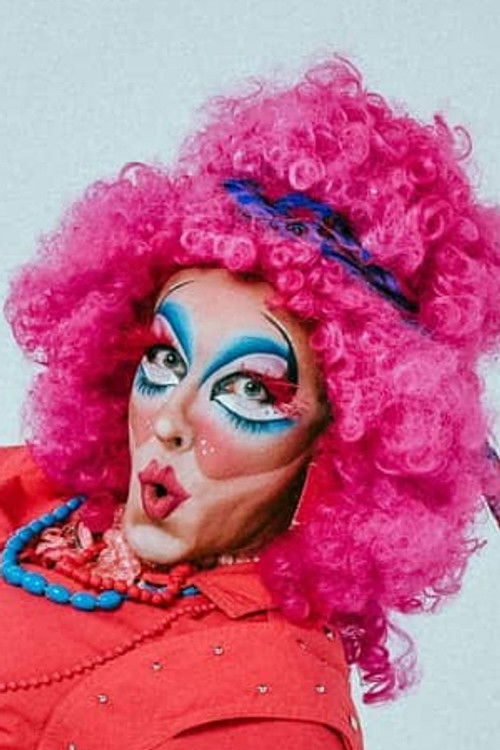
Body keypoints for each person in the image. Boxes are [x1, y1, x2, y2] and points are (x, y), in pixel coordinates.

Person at [1, 57, 499, 750]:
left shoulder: (266, 714)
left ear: (338, 449)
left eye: (250, 391)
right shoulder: (36, 494)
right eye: (165, 358)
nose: (169, 421)